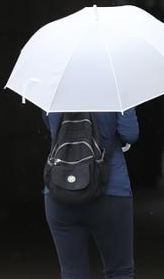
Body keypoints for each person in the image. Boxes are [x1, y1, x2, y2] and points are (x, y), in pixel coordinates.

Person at [43, 109, 139, 278]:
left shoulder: (53, 86)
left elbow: (52, 128)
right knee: (119, 271)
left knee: (72, 271)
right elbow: (130, 133)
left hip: (61, 189)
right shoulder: (115, 87)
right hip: (110, 190)